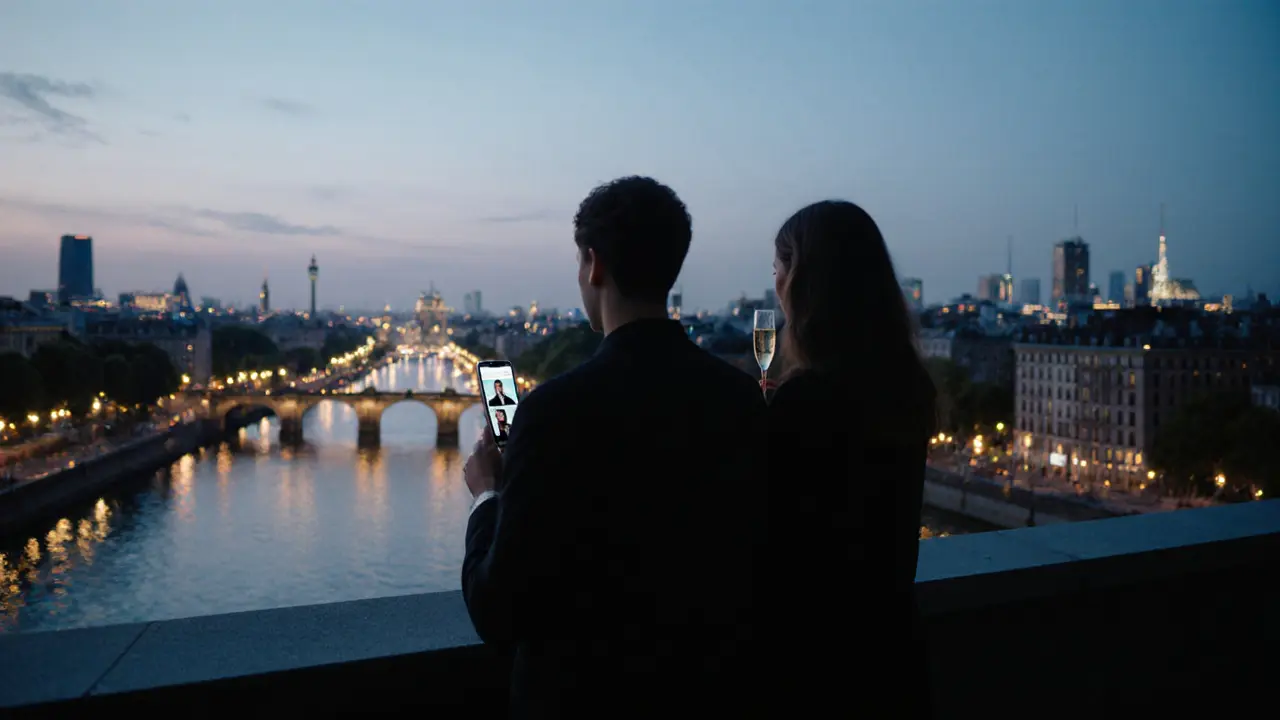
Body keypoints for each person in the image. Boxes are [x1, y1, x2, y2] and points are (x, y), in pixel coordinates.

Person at [462, 176, 767, 718]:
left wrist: (489, 493)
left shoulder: (553, 412)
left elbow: (498, 610)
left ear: (594, 266)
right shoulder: (741, 398)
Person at [762, 200, 937, 717]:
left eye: (778, 271)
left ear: (803, 281)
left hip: (817, 664)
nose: (775, 286)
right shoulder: (907, 386)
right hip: (892, 653)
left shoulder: (806, 401)